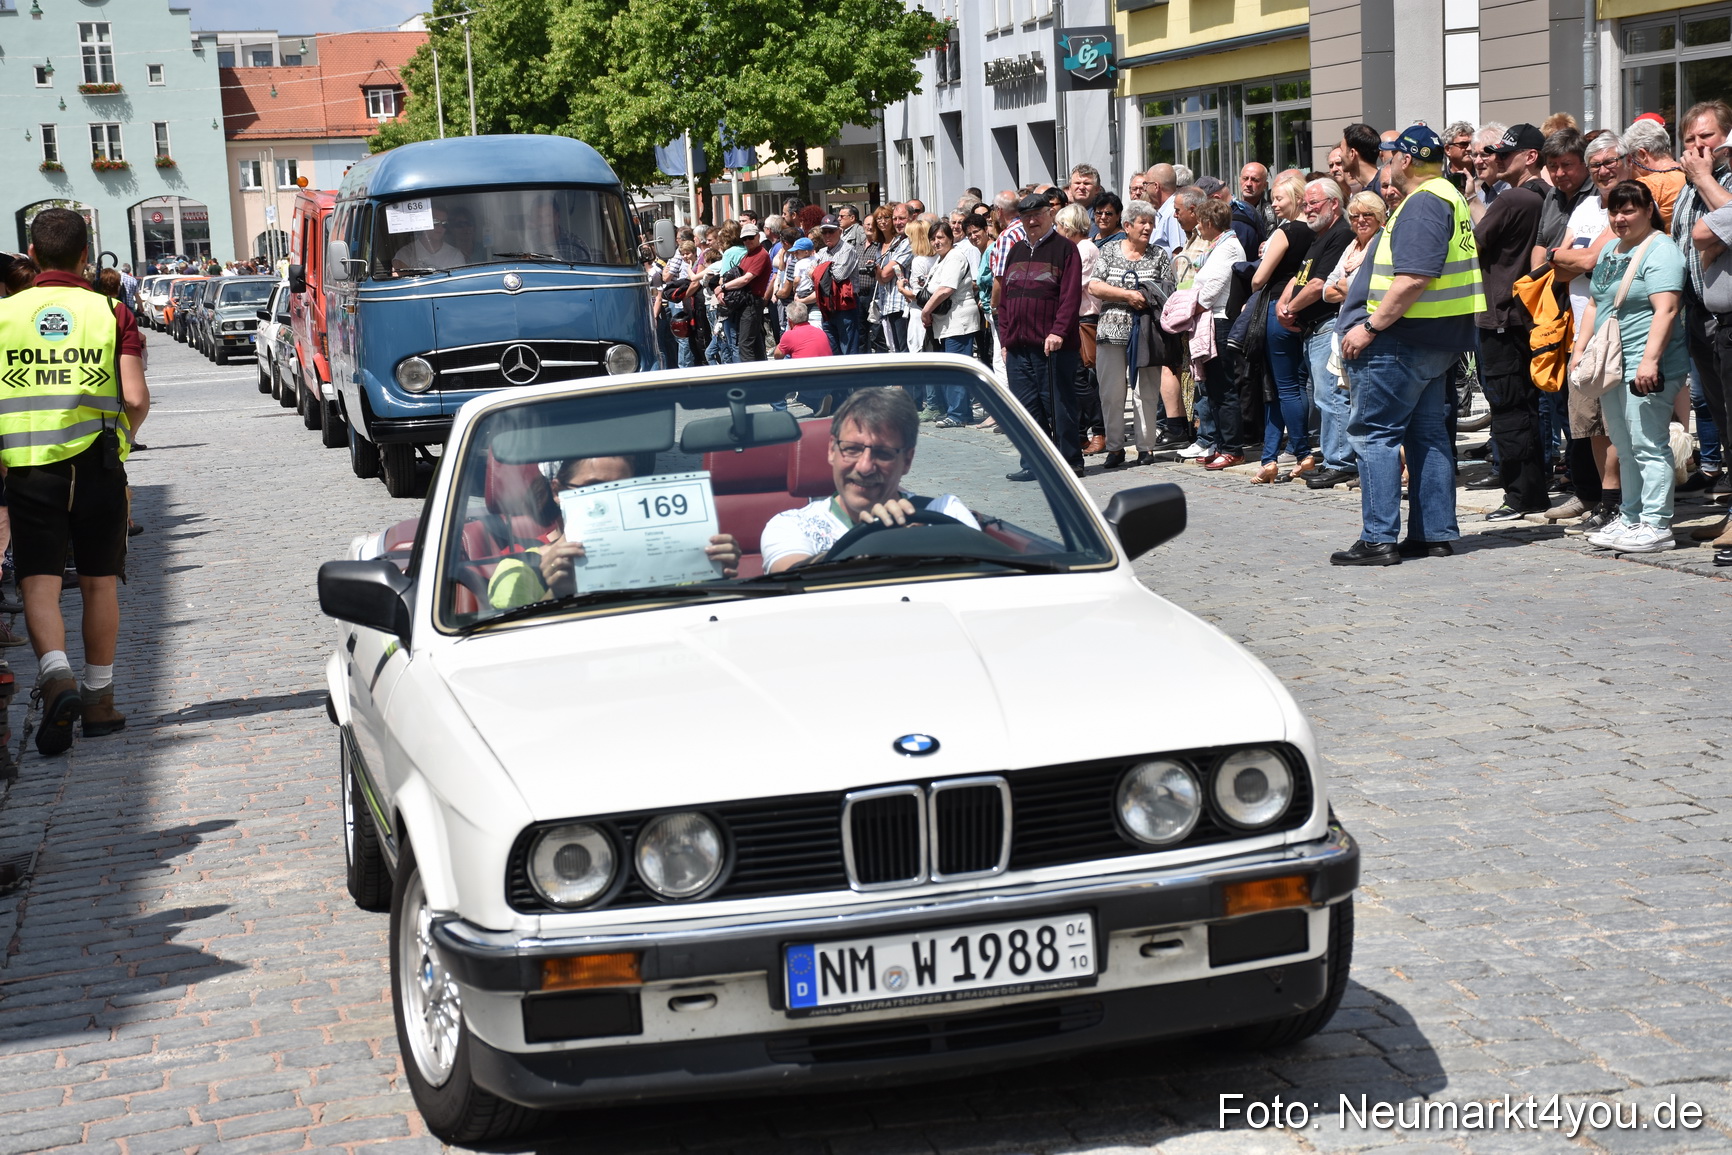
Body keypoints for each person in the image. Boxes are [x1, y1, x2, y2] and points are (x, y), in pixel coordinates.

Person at [0, 208, 150, 753]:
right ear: (87, 254)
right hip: (97, 464)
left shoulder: (4, 314)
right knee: (98, 581)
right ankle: (98, 700)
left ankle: (56, 674)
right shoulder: (112, 312)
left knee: (38, 581)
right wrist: (120, 442)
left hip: (28, 464)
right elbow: (134, 398)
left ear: (33, 255)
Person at [1332, 125, 1486, 565]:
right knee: (1427, 435)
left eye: (1389, 156)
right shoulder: (1451, 196)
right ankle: (1431, 533)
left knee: (1375, 435)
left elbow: (1415, 277)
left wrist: (1371, 328)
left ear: (1403, 160)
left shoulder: (1422, 204)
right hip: (1433, 340)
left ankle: (1378, 537)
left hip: (1400, 340)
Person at [1574, 181, 1688, 553]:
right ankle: (1632, 515)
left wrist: (1649, 361)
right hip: (1612, 366)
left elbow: (1666, 309)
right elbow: (1595, 303)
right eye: (1614, 211)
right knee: (1624, 445)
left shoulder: (1661, 250)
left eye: (1628, 210)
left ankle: (1657, 524)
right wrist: (1580, 348)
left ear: (1648, 210)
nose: (1620, 218)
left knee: (1647, 443)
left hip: (1646, 365)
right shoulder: (1609, 249)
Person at [760, 388, 978, 572]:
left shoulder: (944, 513)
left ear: (907, 461)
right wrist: (873, 547)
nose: (865, 467)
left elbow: (984, 581)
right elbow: (790, 579)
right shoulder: (791, 525)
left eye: (883, 453)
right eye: (852, 450)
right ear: (832, 451)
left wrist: (922, 544)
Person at [489, 457, 741, 607]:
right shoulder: (519, 571)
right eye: (594, 487)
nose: (609, 499)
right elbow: (507, 653)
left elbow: (705, 617)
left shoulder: (665, 555)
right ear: (557, 492)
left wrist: (716, 570)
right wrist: (558, 592)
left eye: (619, 488)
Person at [1546, 133, 1632, 531]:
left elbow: (1591, 258)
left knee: (1616, 423)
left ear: (1627, 160)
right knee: (1589, 422)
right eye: (1595, 164)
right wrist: (1572, 259)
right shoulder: (1583, 206)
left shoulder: (1629, 204)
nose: (1603, 170)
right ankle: (1604, 500)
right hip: (1582, 330)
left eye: (1609, 161)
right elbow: (1560, 266)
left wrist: (1575, 259)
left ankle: (1621, 501)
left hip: (1619, 330)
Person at [1473, 123, 1550, 519]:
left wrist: (1472, 199)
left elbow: (1471, 244)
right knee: (1529, 408)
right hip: (1529, 315)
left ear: (1530, 156)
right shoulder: (1547, 197)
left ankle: (1521, 495)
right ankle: (1532, 491)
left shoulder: (1513, 199)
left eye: (1504, 155)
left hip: (1502, 315)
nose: (1494, 161)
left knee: (1508, 408)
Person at [1672, 101, 1732, 548]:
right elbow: (1690, 237)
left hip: (1726, 315)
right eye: (1690, 139)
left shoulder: (1713, 178)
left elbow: (1718, 226)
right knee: (1721, 417)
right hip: (1698, 312)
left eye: (1706, 137)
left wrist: (1704, 179)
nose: (1697, 147)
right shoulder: (1691, 186)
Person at [999, 191, 1085, 481]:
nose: (1032, 220)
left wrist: (1058, 331)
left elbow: (1070, 297)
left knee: (1058, 405)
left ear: (1050, 214)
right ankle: (1034, 463)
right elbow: (1005, 300)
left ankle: (1069, 462)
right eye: (1026, 216)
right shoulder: (1015, 251)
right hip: (1018, 346)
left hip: (1052, 346)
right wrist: (1005, 339)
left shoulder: (1065, 250)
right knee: (1026, 409)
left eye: (1037, 214)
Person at [1280, 179, 1357, 489]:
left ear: (1334, 204)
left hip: (1327, 324)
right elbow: (1301, 277)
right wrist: (1284, 305)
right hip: (1312, 329)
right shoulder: (1317, 237)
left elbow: (1318, 285)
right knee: (1324, 396)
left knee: (1332, 396)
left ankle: (1340, 462)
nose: (1307, 209)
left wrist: (1290, 309)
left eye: (1314, 203)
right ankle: (1332, 457)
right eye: (1305, 204)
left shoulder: (1340, 234)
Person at [1088, 199, 1175, 467]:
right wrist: (1127, 295)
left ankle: (1145, 447)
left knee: (1146, 392)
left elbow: (1169, 290)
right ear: (1127, 226)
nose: (1148, 227)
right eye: (1142, 222)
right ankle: (1115, 447)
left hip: (1147, 333)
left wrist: (1148, 296)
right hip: (1111, 332)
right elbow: (1094, 286)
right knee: (1111, 392)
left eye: (1151, 223)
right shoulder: (1111, 250)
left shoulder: (1159, 255)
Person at [1250, 172, 1316, 483]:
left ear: (1297, 198)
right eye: (1273, 198)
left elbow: (1258, 279)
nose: (1274, 204)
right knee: (1289, 386)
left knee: (1282, 388)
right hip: (1304, 313)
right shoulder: (1316, 231)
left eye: (1280, 198)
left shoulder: (1286, 231)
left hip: (1278, 310)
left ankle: (1302, 453)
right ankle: (1270, 457)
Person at [1188, 198, 1249, 467]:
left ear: (1209, 222)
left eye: (1201, 221)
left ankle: (1233, 448)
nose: (1199, 227)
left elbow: (1212, 289)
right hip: (1210, 320)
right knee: (1212, 387)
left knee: (1223, 388)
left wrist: (1186, 308)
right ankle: (1220, 443)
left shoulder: (1229, 249)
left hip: (1221, 321)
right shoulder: (1218, 246)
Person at [920, 220, 984, 427]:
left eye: (940, 237)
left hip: (958, 319)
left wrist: (926, 310)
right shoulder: (941, 259)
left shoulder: (955, 257)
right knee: (951, 367)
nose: (936, 242)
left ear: (950, 238)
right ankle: (958, 411)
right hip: (945, 322)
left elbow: (946, 288)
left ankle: (958, 414)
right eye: (933, 238)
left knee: (956, 367)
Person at [1056, 204, 1105, 455]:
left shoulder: (1085, 249)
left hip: (1085, 320)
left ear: (1068, 227)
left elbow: (1074, 285)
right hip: (1076, 319)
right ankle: (1080, 432)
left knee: (1083, 380)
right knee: (1076, 379)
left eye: (1059, 226)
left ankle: (1099, 429)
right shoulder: (1076, 248)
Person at [722, 222, 772, 361]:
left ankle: (750, 379)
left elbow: (745, 279)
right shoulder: (748, 255)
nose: (748, 241)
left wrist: (723, 287)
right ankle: (760, 376)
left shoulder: (761, 254)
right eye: (744, 238)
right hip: (745, 303)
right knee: (754, 343)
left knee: (745, 345)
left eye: (750, 237)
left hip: (752, 303)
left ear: (757, 236)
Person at [393, 207, 463, 272]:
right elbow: (403, 281)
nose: (440, 227)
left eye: (444, 223)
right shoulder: (406, 253)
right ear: (423, 223)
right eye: (435, 222)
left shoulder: (455, 255)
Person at [1340, 123, 1381, 194]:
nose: (1340, 155)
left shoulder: (1382, 190)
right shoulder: (1374, 187)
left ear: (1352, 153)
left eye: (1342, 150)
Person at [1240, 162, 1275, 236]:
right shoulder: (1231, 208)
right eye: (1245, 178)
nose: (1248, 184)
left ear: (1265, 185)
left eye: (1255, 180)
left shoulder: (1269, 214)